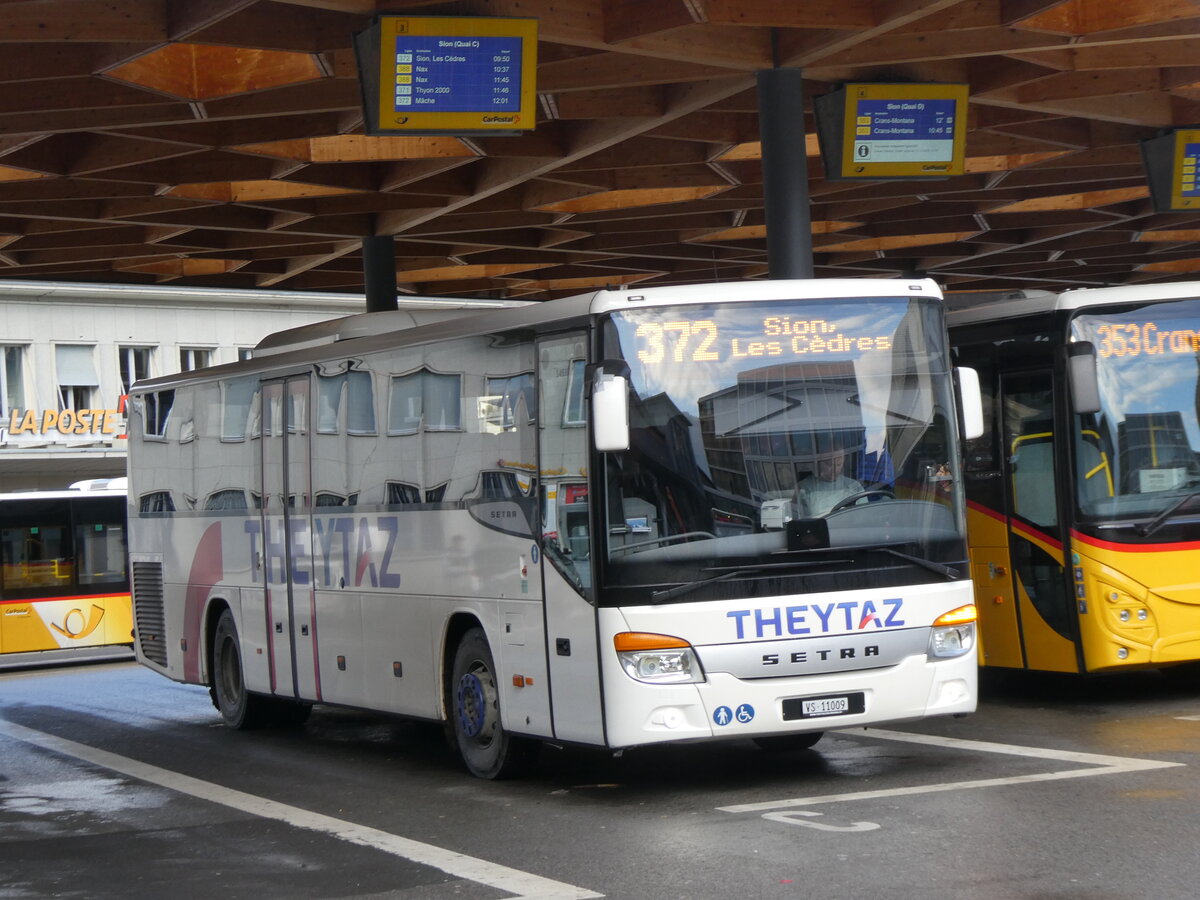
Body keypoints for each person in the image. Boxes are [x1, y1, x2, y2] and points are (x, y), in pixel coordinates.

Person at [793, 451, 863, 517]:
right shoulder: (804, 487)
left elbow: (864, 514)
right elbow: (796, 517)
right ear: (819, 463)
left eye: (839, 464)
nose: (835, 469)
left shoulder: (854, 486)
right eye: (830, 464)